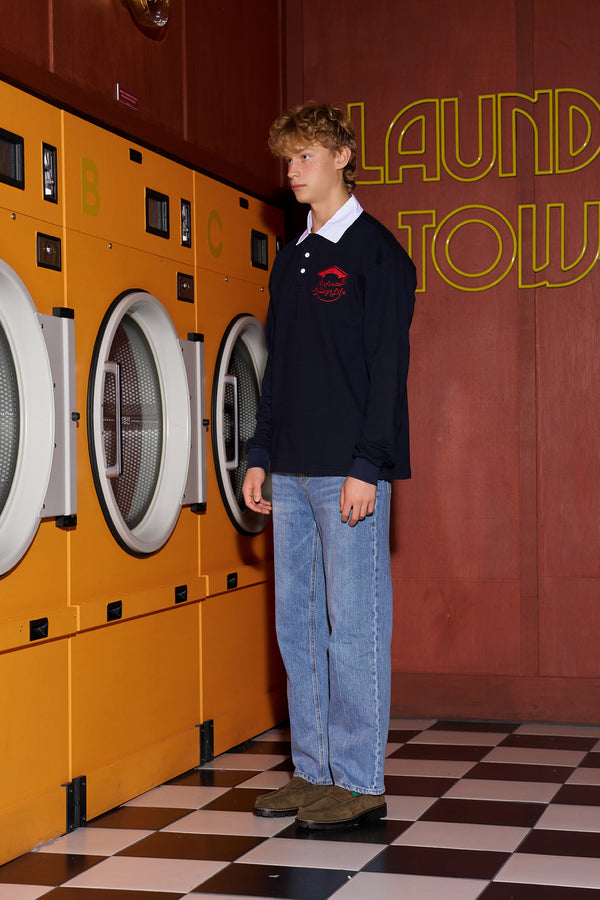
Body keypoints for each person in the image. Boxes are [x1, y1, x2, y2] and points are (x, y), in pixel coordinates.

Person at [242, 103, 416, 829]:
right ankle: (314, 771)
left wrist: (367, 466)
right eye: (287, 160)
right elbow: (277, 369)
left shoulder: (379, 254)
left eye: (305, 157)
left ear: (344, 156)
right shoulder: (294, 257)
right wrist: (258, 453)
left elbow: (387, 370)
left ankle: (360, 778)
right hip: (289, 470)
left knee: (356, 625)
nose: (291, 172)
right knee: (298, 625)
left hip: (347, 470)